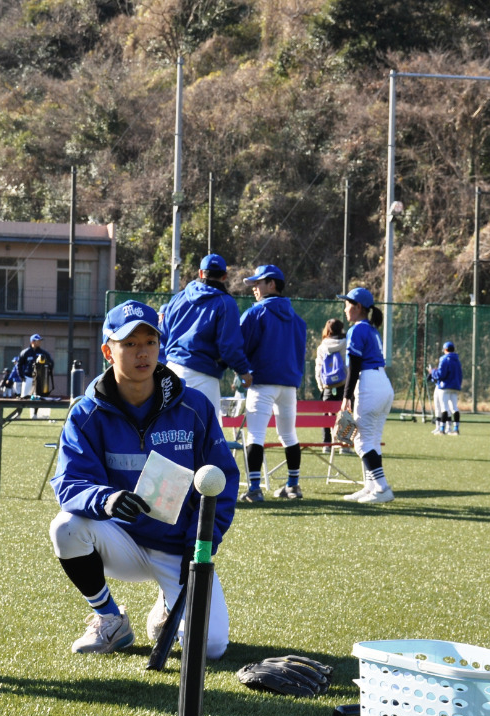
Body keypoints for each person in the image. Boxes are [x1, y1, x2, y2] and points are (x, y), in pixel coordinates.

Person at [48, 300, 239, 658]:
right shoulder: (86, 412)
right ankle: (110, 619)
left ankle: (167, 608)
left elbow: (222, 482)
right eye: (130, 343)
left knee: (210, 648)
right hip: (118, 538)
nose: (142, 353)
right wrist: (106, 499)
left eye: (150, 342)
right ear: (108, 350)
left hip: (178, 546)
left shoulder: (194, 407)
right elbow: (69, 482)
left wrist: (201, 544)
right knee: (66, 528)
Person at [238, 265, 307, 501]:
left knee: (255, 435)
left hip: (262, 383)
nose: (254, 288)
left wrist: (240, 373)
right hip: (289, 385)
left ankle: (255, 489)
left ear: (272, 284)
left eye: (259, 283)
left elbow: (241, 347)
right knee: (289, 435)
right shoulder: (298, 319)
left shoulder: (255, 313)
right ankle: (293, 486)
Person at [158, 253, 253, 422]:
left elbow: (161, 338)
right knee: (208, 436)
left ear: (201, 273)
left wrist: (161, 370)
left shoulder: (177, 298)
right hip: (203, 375)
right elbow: (228, 346)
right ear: (224, 276)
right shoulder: (225, 302)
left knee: (170, 431)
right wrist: (243, 371)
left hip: (171, 370)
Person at [337, 287, 395, 503]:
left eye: (347, 304)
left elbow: (354, 365)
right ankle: (371, 487)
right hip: (382, 384)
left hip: (369, 383)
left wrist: (346, 396)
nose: (345, 309)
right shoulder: (370, 329)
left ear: (358, 307)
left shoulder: (357, 330)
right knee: (372, 439)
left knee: (361, 442)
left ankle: (382, 487)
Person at [315, 318, 348, 443]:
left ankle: (327, 443)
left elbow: (319, 368)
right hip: (343, 384)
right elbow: (347, 365)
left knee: (327, 414)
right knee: (345, 413)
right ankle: (343, 443)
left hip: (327, 386)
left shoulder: (322, 346)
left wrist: (321, 385)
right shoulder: (345, 343)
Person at [430, 340, 463, 435]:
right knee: (454, 408)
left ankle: (442, 430)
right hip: (455, 386)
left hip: (444, 387)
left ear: (445, 349)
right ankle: (456, 429)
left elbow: (441, 374)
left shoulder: (444, 359)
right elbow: (460, 375)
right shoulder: (457, 360)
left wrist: (432, 372)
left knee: (444, 408)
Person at [15, 333, 55, 399]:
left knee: (38, 399)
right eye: (38, 341)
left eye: (40, 341)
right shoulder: (25, 352)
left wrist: (47, 373)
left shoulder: (43, 353)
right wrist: (21, 376)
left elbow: (51, 362)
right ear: (32, 342)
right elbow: (19, 364)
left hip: (39, 380)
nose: (39, 342)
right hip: (28, 378)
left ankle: (35, 409)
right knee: (24, 398)